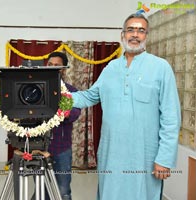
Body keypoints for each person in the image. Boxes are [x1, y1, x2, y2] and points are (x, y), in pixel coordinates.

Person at [71, 13, 181, 200]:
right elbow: (89, 96)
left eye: (141, 30)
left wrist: (164, 159)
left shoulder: (161, 67)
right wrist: (57, 96)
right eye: (130, 30)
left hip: (144, 155)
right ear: (123, 35)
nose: (135, 35)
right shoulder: (111, 68)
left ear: (147, 35)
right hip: (111, 154)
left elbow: (171, 117)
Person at [46, 52, 81, 200]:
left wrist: (59, 109)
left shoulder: (71, 91)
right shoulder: (35, 89)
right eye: (50, 65)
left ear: (64, 69)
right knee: (43, 189)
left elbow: (74, 114)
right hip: (39, 149)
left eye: (57, 65)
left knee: (63, 190)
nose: (53, 68)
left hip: (62, 149)